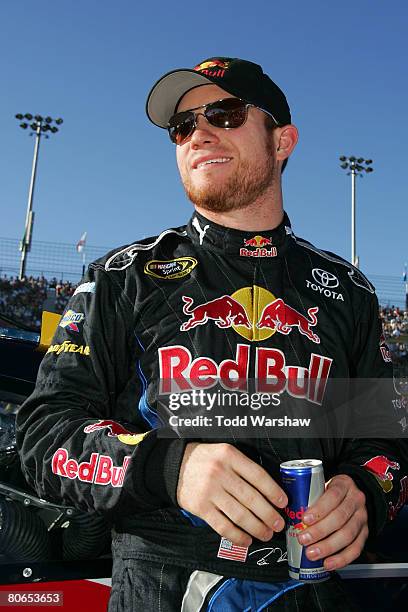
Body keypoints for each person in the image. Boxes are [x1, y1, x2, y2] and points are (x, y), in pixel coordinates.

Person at [16, 57, 408, 611]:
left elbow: (388, 444)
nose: (197, 134)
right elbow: (42, 436)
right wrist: (170, 467)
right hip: (162, 588)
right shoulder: (121, 277)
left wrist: (365, 491)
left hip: (313, 589)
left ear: (282, 141)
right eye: (182, 127)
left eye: (223, 114)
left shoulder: (349, 293)